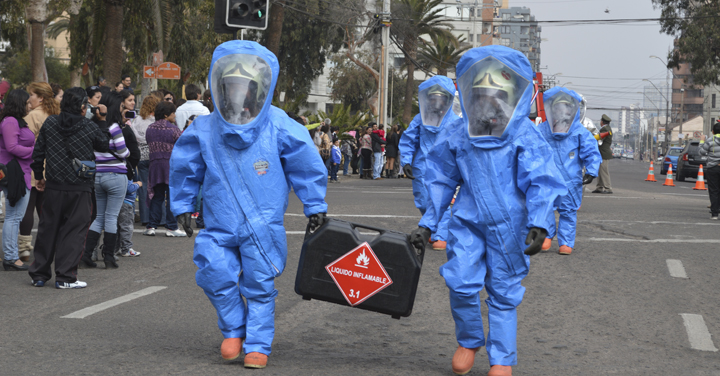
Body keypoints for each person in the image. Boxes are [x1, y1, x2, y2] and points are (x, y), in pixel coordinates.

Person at [169, 40, 328, 369]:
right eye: (230, 87)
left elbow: (306, 165)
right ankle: (234, 328)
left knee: (259, 283)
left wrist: (315, 206)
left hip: (263, 225)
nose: (237, 95)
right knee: (213, 271)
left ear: (258, 90)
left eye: (244, 87)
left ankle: (257, 342)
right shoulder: (203, 130)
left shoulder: (280, 125)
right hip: (219, 223)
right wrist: (182, 205)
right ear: (220, 88)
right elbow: (185, 169)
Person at [408, 46, 566, 376]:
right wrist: (428, 223)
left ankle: (502, 360)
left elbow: (542, 180)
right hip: (467, 220)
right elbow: (439, 179)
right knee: (461, 283)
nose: (488, 99)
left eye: (496, 92)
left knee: (504, 292)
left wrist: (540, 222)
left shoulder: (524, 133)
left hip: (511, 224)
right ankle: (469, 340)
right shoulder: (457, 132)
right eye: (481, 91)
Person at [29, 87, 110, 288]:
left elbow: (38, 153)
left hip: (54, 185)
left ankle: (39, 274)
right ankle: (65, 276)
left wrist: (39, 176)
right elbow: (104, 145)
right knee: (74, 230)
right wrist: (102, 121)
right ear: (83, 107)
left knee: (47, 229)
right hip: (80, 186)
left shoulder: (50, 122)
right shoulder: (89, 126)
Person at [537, 87, 602, 255]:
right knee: (545, 207)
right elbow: (530, 150)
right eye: (558, 108)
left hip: (570, 180)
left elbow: (591, 151)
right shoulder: (542, 130)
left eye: (565, 107)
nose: (561, 111)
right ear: (552, 109)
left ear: (572, 109)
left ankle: (566, 242)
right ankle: (546, 236)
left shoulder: (579, 132)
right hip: (547, 178)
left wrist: (591, 170)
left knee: (568, 211)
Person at [399, 75, 460, 250]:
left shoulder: (455, 121)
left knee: (441, 200)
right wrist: (406, 162)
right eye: (432, 98)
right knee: (423, 200)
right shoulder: (420, 119)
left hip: (444, 168)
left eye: (439, 98)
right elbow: (409, 140)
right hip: (422, 166)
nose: (435, 102)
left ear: (447, 99)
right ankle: (431, 230)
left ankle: (441, 234)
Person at [80, 91, 131, 269]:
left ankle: (86, 254)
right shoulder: (115, 127)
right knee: (111, 217)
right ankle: (108, 257)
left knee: (98, 217)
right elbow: (124, 153)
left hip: (98, 176)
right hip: (116, 176)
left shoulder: (93, 127)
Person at [18, 83, 61, 262]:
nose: (29, 99)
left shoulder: (33, 116)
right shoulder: (57, 115)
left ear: (41, 98)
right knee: (47, 210)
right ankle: (51, 246)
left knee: (28, 207)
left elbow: (24, 140)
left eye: (32, 95)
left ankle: (24, 249)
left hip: (34, 166)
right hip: (54, 167)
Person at [0, 89, 35, 271]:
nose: (30, 105)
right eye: (27, 103)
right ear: (19, 103)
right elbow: (12, 147)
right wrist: (34, 151)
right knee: (14, 217)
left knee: (14, 217)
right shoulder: (10, 122)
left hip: (21, 172)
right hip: (14, 173)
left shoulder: (15, 121)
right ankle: (11, 258)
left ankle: (11, 257)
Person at [144, 101, 184, 237]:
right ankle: (172, 227)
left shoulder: (150, 128)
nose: (174, 115)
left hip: (155, 164)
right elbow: (182, 143)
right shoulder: (173, 129)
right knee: (172, 196)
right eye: (173, 113)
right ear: (166, 114)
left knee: (157, 196)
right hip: (170, 165)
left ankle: (151, 226)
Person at [130, 95, 161, 226]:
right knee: (157, 187)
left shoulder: (137, 121)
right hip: (155, 154)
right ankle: (159, 217)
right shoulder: (157, 121)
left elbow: (134, 136)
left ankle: (145, 217)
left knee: (143, 188)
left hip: (141, 156)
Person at [115, 178, 142, 256]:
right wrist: (137, 184)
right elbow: (129, 189)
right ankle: (126, 249)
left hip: (118, 202)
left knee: (118, 226)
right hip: (127, 203)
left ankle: (116, 248)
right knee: (127, 226)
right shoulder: (126, 172)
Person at [699, 122, 720, 219]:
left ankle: (715, 213)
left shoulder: (709, 140)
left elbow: (701, 152)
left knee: (714, 191)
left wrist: (702, 141)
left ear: (713, 131)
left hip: (713, 168)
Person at [592, 114, 614, 194]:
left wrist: (591, 136)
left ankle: (608, 188)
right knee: (600, 171)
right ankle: (599, 187)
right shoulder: (606, 128)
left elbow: (599, 138)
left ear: (602, 122)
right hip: (602, 153)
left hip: (604, 153)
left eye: (600, 121)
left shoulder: (605, 130)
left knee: (604, 171)